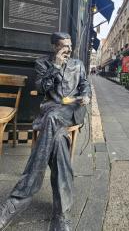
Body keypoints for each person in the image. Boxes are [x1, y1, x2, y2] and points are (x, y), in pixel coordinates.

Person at [0, 32, 91, 231]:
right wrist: (56, 67)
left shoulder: (78, 64)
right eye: (63, 45)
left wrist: (85, 95)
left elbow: (85, 85)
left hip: (72, 111)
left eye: (70, 45)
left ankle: (17, 200)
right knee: (58, 140)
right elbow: (41, 88)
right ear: (54, 47)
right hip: (51, 111)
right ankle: (62, 213)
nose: (68, 49)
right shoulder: (43, 63)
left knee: (51, 119)